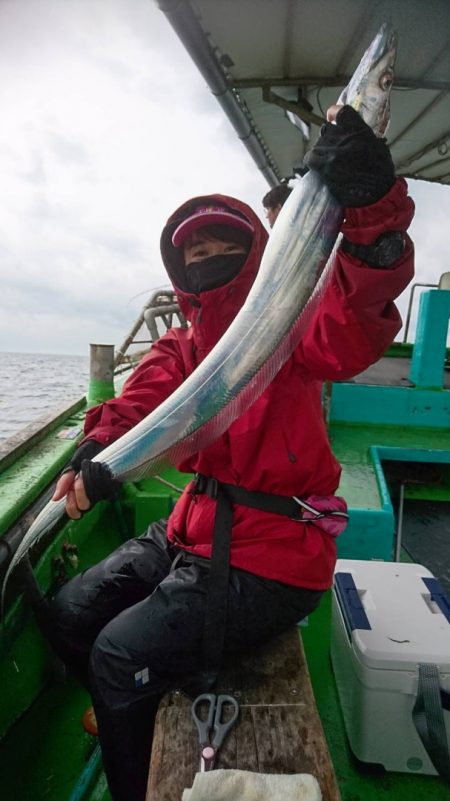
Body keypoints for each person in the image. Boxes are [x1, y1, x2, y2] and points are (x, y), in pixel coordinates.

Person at [50, 105, 414, 801]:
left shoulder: (292, 322)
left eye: (224, 244)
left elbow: (355, 317)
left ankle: (133, 769)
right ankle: (125, 700)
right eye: (194, 252)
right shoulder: (182, 345)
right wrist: (98, 444)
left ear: (256, 249)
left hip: (273, 554)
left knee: (119, 651)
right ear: (178, 269)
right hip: (194, 530)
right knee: (71, 611)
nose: (207, 258)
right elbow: (139, 402)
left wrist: (371, 215)